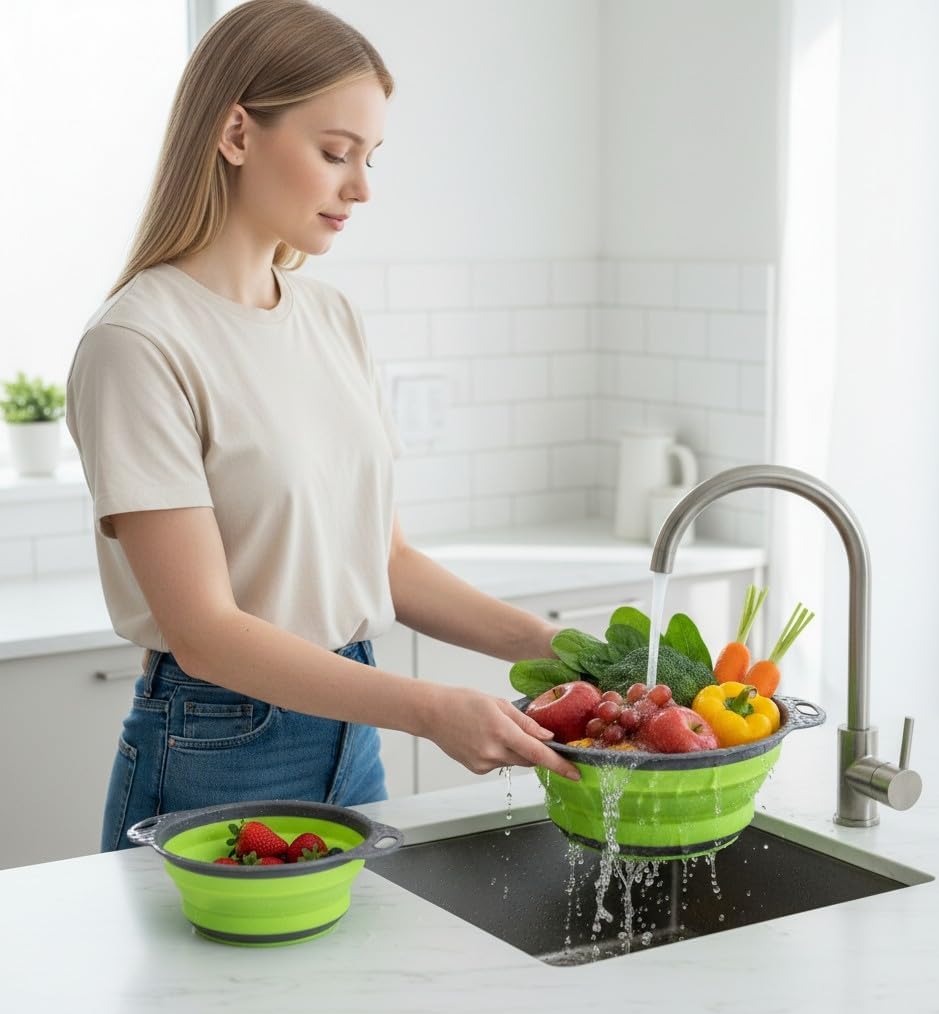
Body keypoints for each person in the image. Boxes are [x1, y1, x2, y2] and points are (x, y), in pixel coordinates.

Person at [65, 0, 580, 854]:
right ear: (235, 133)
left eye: (370, 158)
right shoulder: (138, 343)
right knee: (211, 991)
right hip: (216, 747)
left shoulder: (330, 317)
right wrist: (429, 708)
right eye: (336, 153)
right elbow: (204, 631)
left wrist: (552, 646)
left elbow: (387, 561)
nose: (362, 187)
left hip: (353, 732)